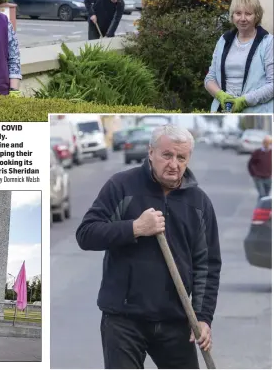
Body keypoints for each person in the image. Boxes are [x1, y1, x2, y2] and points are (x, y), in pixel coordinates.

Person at [76, 124, 222, 369]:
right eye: (167, 155)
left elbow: (207, 265)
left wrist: (203, 318)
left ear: (188, 159)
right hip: (123, 320)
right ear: (151, 152)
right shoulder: (122, 186)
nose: (174, 164)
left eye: (181, 157)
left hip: (177, 319)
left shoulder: (199, 203)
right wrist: (135, 228)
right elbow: (86, 234)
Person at [205, 0, 273, 113]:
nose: (242, 19)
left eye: (248, 14)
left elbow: (272, 84)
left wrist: (244, 101)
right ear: (232, 16)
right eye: (238, 13)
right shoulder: (224, 40)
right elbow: (210, 78)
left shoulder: (268, 42)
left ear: (256, 16)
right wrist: (220, 95)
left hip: (257, 114)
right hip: (223, 112)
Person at [248, 134, 272, 201]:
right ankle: (259, 210)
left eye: (270, 143)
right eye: (266, 142)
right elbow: (250, 164)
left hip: (268, 177)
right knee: (262, 195)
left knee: (267, 196)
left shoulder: (271, 153)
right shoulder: (257, 152)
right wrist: (254, 174)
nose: (268, 144)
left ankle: (263, 209)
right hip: (259, 177)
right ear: (263, 143)